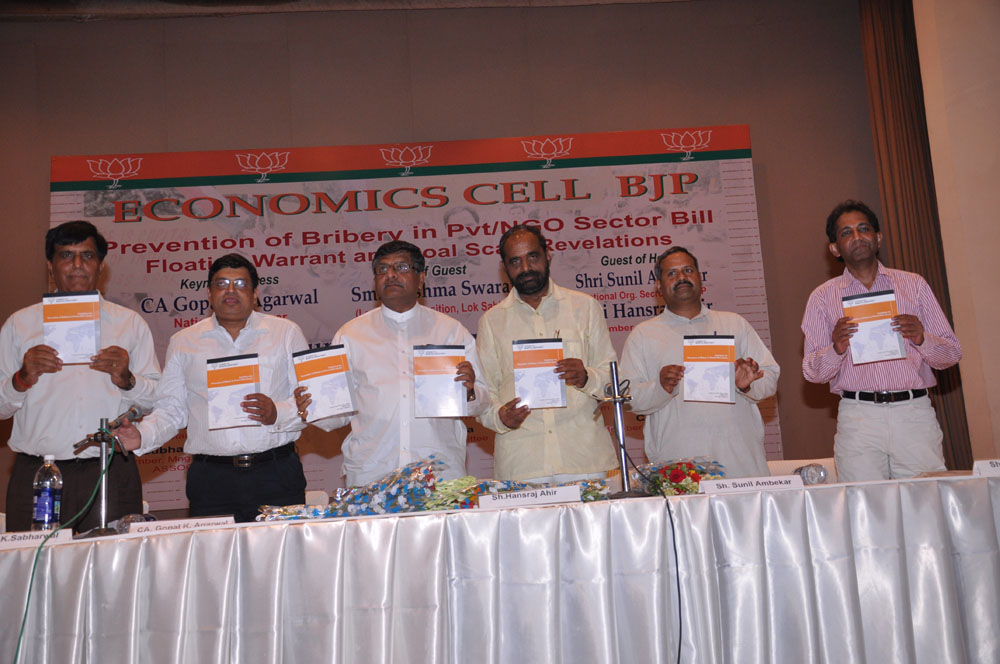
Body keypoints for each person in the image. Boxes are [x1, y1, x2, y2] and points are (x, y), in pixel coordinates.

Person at [116, 254, 308, 521]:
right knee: (215, 562)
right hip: (211, 480)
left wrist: (277, 412)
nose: (231, 290)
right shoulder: (184, 341)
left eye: (241, 284)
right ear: (209, 293)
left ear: (255, 294)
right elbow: (171, 409)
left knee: (280, 560)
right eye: (222, 284)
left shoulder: (286, 333)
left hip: (276, 473)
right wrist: (142, 435)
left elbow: (308, 399)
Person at [0, 221, 161, 532]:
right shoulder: (20, 325)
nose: (77, 265)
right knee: (35, 572)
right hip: (38, 471)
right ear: (50, 265)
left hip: (110, 470)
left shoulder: (129, 324)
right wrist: (22, 378)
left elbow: (155, 403)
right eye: (66, 255)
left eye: (87, 256)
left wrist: (126, 378)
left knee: (114, 573)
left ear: (100, 266)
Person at [296, 240, 488, 487]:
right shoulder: (351, 335)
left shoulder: (450, 332)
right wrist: (312, 408)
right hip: (372, 476)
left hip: (440, 475)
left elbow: (482, 402)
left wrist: (471, 392)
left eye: (401, 268)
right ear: (374, 281)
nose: (391, 275)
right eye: (382, 269)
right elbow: (338, 415)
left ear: (421, 278)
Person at [802, 200, 961, 481]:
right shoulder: (821, 298)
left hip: (913, 414)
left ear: (878, 238)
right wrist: (835, 348)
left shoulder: (914, 285)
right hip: (858, 417)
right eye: (846, 232)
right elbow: (813, 372)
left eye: (864, 229)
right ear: (835, 248)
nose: (857, 237)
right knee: (865, 510)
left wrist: (922, 338)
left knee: (924, 506)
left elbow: (951, 355)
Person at [619, 247, 778, 477]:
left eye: (687, 270)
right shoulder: (644, 335)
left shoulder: (734, 324)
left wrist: (747, 385)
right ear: (658, 286)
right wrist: (660, 387)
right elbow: (629, 399)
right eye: (671, 273)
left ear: (699, 277)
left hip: (739, 460)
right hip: (677, 465)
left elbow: (770, 378)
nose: (681, 277)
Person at [476, 224, 618, 482]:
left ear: (547, 256)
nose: (526, 268)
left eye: (533, 256)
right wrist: (501, 417)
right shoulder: (492, 321)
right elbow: (483, 391)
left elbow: (613, 379)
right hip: (522, 463)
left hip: (583, 458)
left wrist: (587, 377)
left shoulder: (584, 308)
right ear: (504, 267)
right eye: (515, 261)